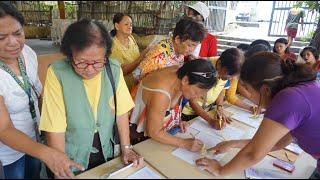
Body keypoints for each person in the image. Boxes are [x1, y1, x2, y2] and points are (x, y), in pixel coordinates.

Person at [39, 19, 143, 178]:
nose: (89, 70)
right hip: (72, 149)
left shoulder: (113, 69)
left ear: (106, 55)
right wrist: (60, 163)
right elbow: (55, 127)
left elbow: (121, 113)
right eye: (81, 62)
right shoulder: (57, 73)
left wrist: (127, 148)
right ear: (69, 54)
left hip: (105, 146)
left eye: (96, 62)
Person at [195, 52, 320, 179]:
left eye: (248, 90)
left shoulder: (288, 98)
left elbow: (253, 153)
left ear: (265, 89)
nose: (248, 96)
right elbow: (277, 143)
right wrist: (233, 144)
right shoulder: (303, 87)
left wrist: (221, 170)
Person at [0, 2, 85, 179]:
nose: (13, 42)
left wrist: (56, 124)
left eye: (18, 33)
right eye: (1, 37)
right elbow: (5, 129)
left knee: (35, 174)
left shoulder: (27, 53)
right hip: (9, 151)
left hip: (36, 138)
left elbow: (38, 91)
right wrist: (49, 154)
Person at [130, 59, 217, 151]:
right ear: (186, 80)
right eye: (196, 92)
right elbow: (154, 131)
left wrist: (175, 120)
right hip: (141, 140)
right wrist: (184, 143)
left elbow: (169, 107)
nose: (198, 97)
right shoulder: (161, 93)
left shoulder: (180, 74)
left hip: (159, 135)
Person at [182, 48, 255, 129]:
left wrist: (219, 107)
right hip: (188, 113)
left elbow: (221, 90)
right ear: (219, 64)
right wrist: (210, 120)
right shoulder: (203, 69)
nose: (230, 79)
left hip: (206, 111)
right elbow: (192, 101)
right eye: (228, 75)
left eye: (232, 77)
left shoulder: (227, 72)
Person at [132, 17, 206, 81]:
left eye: (195, 46)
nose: (192, 50)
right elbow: (137, 77)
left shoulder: (178, 51)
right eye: (190, 45)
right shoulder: (159, 57)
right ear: (178, 39)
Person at [110, 13, 149, 91]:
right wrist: (142, 56)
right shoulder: (113, 46)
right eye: (126, 24)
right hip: (124, 87)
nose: (130, 26)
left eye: (131, 24)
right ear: (117, 26)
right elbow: (122, 71)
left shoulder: (131, 38)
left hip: (137, 81)